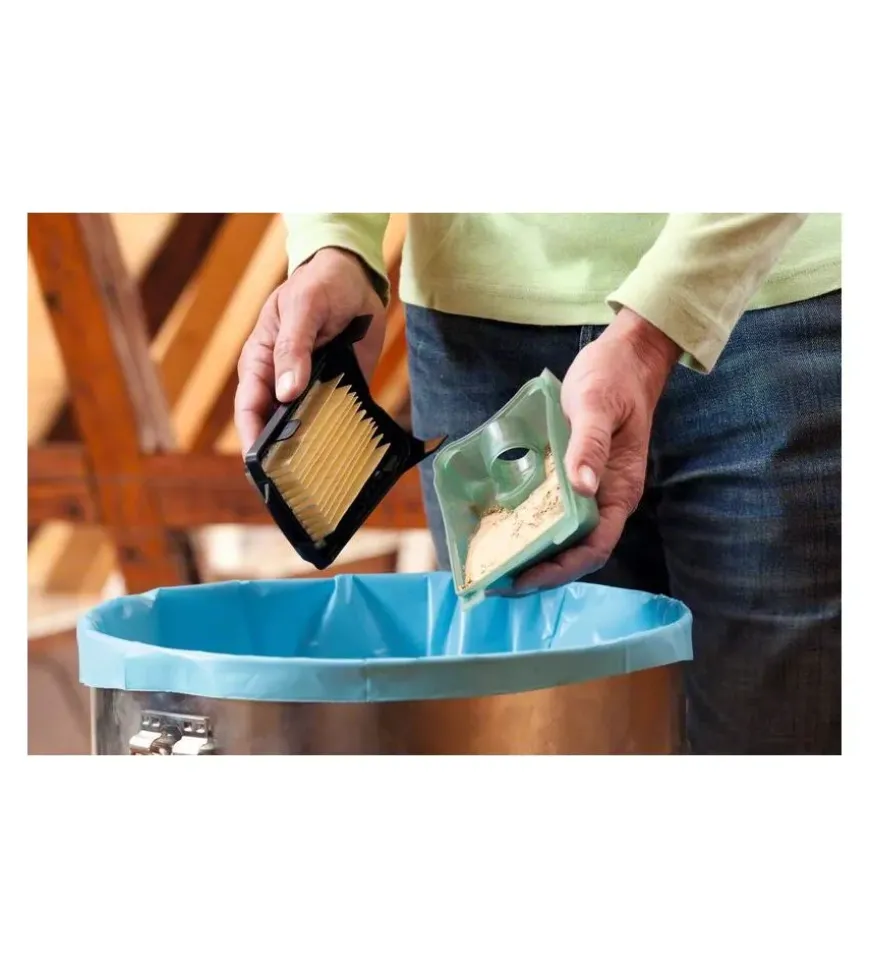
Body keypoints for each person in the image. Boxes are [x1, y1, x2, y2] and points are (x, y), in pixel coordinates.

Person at [235, 214, 842, 755]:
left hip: (765, 296)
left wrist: (655, 331)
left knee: (773, 740)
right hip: (475, 334)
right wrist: (335, 242)